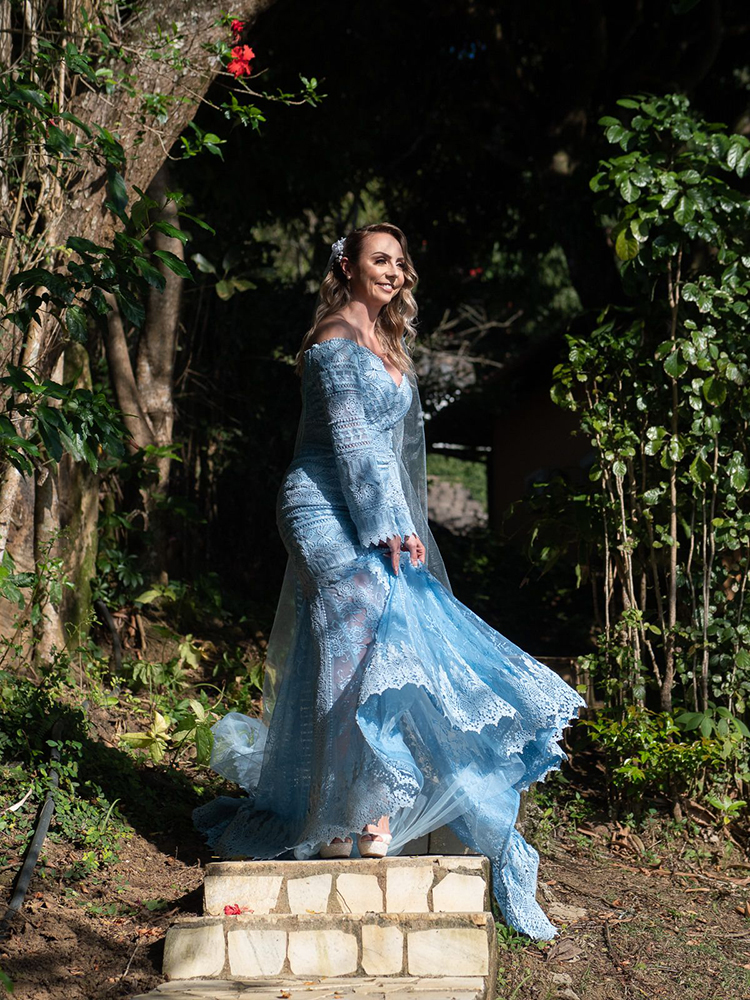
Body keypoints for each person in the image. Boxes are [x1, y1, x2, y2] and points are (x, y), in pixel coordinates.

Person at [193, 222, 587, 940]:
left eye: (400, 263)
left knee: (379, 652)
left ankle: (360, 813)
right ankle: (347, 820)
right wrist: (388, 526)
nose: (394, 272)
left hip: (375, 512)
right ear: (346, 266)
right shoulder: (335, 341)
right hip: (322, 507)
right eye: (380, 260)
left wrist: (406, 524)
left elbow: (390, 454)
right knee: (353, 649)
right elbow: (349, 445)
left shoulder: (386, 342)